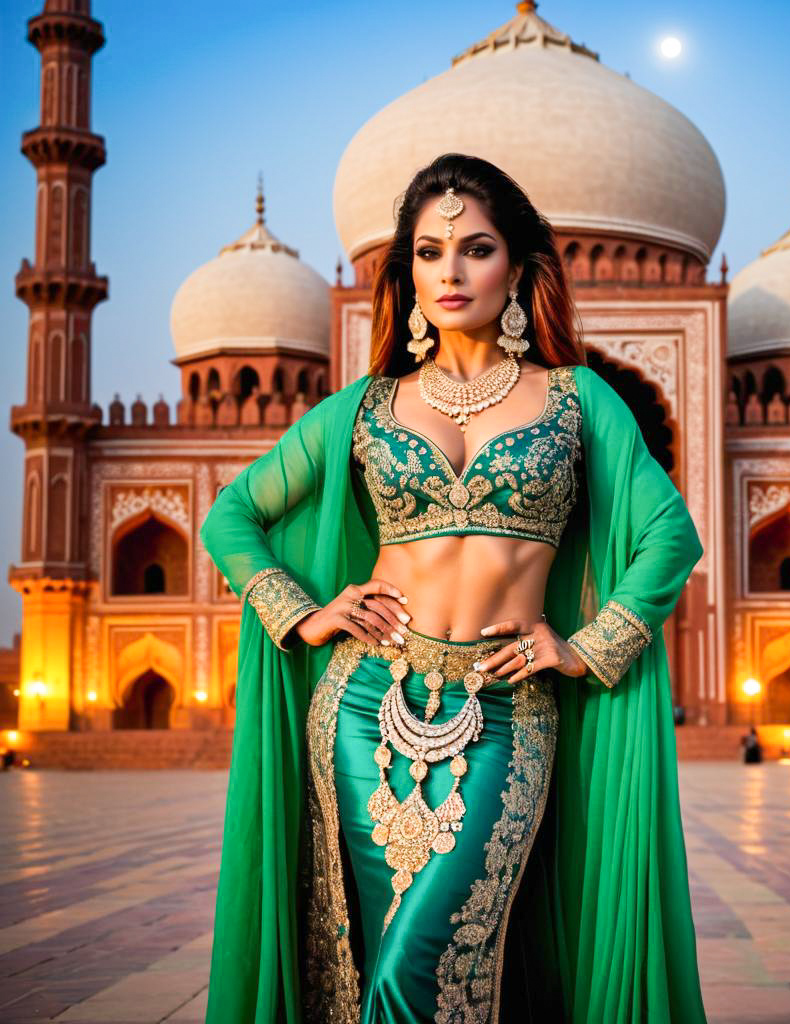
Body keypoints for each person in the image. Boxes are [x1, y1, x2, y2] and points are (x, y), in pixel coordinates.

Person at [200, 152, 707, 1023]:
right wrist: (306, 612)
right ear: (405, 272)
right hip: (364, 704)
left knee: (421, 958)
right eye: (429, 252)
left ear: (516, 265)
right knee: (373, 952)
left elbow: (670, 534)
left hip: (508, 710)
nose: (451, 271)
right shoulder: (363, 408)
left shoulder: (576, 401)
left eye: (475, 248)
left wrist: (587, 647)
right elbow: (231, 516)